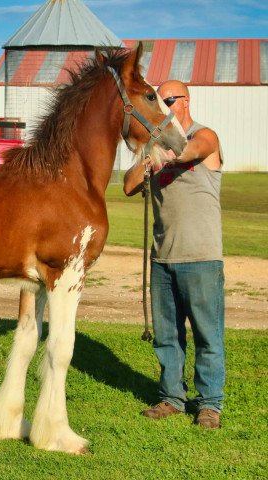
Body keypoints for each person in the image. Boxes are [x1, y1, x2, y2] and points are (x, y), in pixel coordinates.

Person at [123, 80, 225, 429]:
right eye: (160, 102)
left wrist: (159, 154)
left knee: (207, 335)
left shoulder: (206, 135)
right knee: (168, 337)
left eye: (170, 100)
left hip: (201, 257)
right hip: (162, 258)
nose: (165, 108)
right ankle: (172, 398)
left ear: (186, 100)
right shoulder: (155, 146)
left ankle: (210, 404)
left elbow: (189, 151)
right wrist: (150, 157)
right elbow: (128, 184)